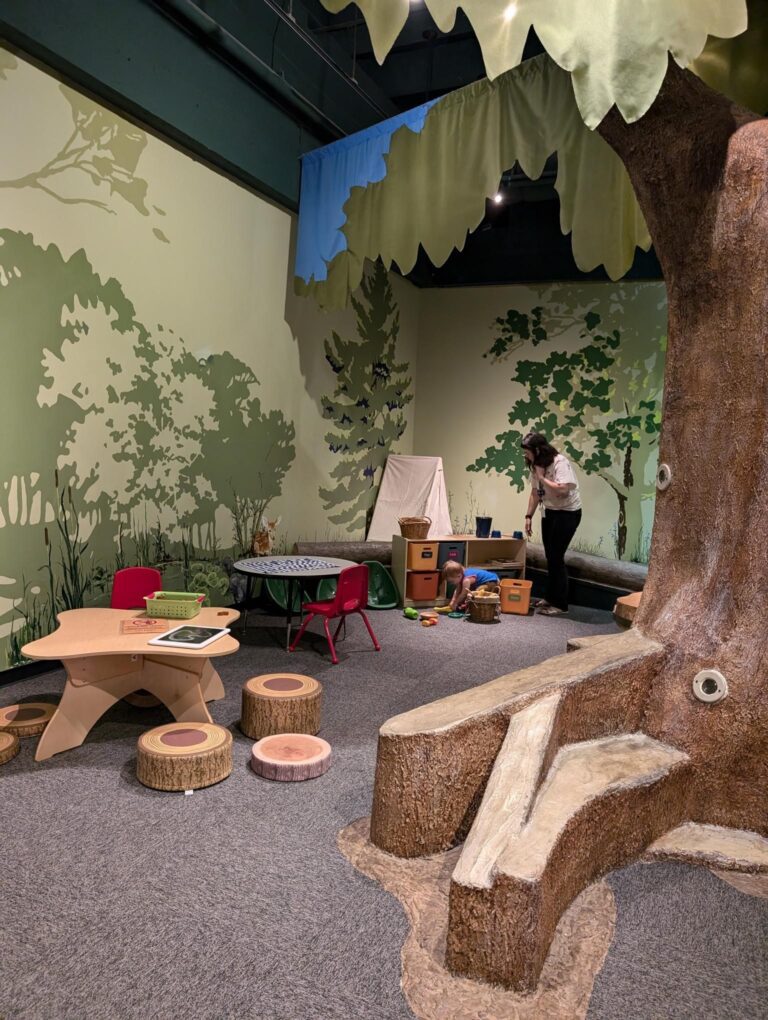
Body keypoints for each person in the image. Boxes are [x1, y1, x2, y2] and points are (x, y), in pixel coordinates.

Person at [521, 432, 582, 616]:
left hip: (568, 514)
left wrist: (542, 478)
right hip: (550, 512)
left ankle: (560, 604)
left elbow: (562, 490)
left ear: (538, 450)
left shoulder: (559, 462)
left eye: (528, 452)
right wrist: (528, 516)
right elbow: (534, 493)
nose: (526, 455)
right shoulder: (536, 466)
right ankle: (550, 597)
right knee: (550, 556)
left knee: (556, 556)